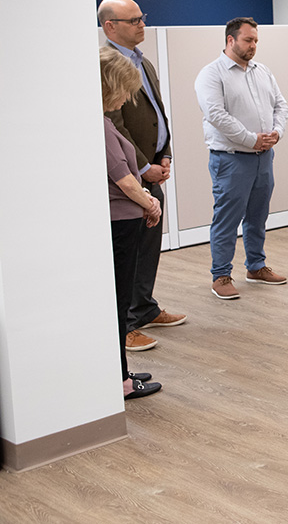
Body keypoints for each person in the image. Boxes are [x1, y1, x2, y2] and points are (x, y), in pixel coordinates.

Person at [99, 0, 187, 352]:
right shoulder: (107, 67)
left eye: (141, 17)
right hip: (130, 174)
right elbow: (114, 125)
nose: (142, 24)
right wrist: (143, 167)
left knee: (148, 247)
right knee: (129, 252)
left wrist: (164, 155)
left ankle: (144, 307)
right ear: (110, 27)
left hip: (151, 168)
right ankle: (128, 324)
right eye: (133, 20)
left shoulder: (143, 61)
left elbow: (157, 115)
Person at [194, 17, 288, 300]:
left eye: (256, 40)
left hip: (263, 157)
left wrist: (277, 132)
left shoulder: (262, 72)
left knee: (258, 216)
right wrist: (250, 139)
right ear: (230, 40)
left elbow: (280, 105)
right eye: (248, 40)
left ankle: (256, 266)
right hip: (231, 159)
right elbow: (216, 115)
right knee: (227, 219)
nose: (253, 45)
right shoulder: (212, 74)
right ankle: (220, 275)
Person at [100, 46, 163, 400]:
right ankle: (122, 381)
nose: (126, 98)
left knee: (120, 301)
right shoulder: (100, 127)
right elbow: (124, 180)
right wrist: (150, 201)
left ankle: (120, 373)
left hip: (125, 221)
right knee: (119, 301)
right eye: (124, 90)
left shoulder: (105, 123)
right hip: (119, 226)